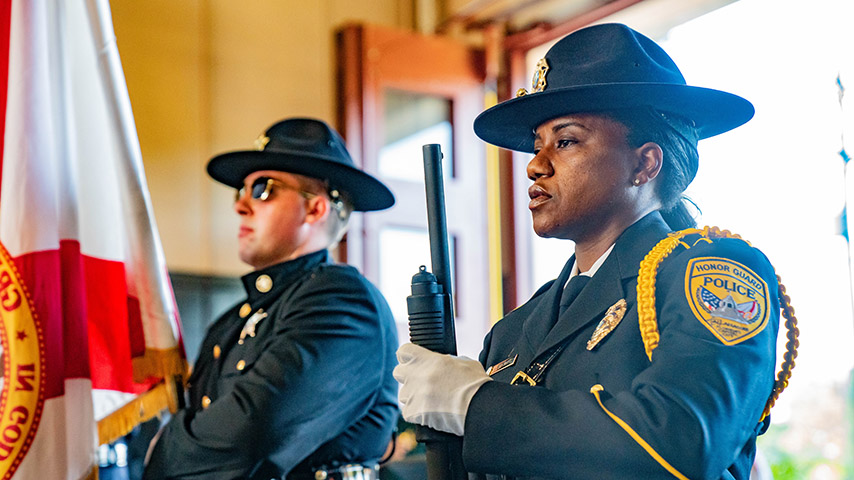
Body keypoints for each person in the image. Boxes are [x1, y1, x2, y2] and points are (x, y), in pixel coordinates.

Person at [394, 23, 796, 480]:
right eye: (537, 146)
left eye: (565, 141)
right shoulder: (514, 331)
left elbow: (683, 438)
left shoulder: (711, 274)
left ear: (644, 163)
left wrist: (475, 404)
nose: (535, 165)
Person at [144, 118, 399, 480]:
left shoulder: (343, 302)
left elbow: (250, 433)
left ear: (315, 209)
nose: (241, 205)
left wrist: (161, 450)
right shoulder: (231, 321)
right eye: (241, 191)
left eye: (264, 189)